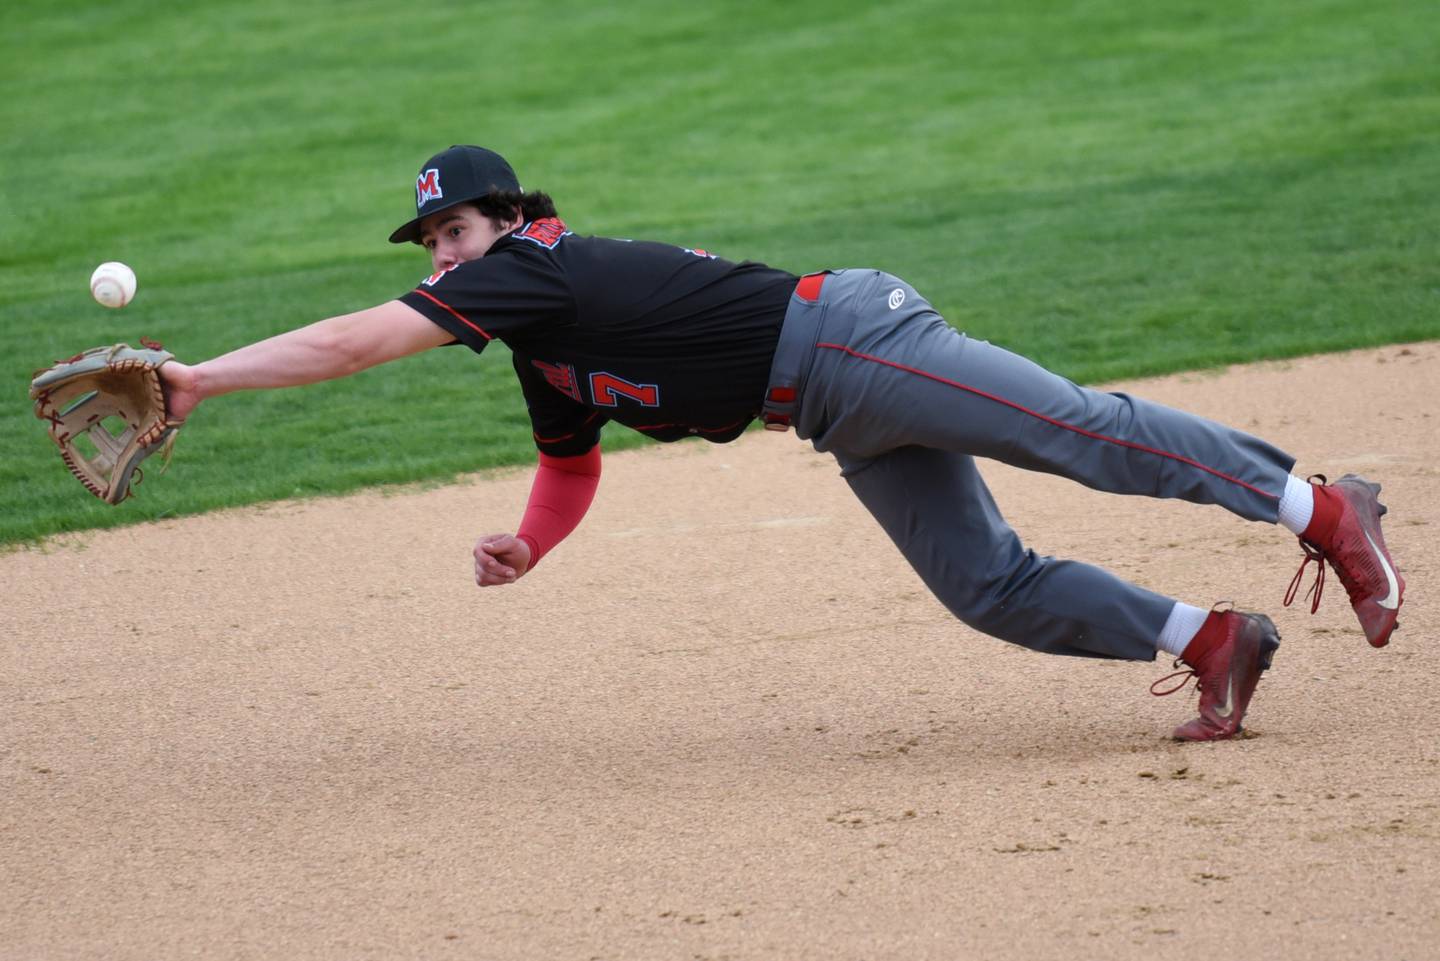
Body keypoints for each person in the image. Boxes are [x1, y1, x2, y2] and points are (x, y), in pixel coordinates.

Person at [159, 144, 1407, 742]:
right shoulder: (539, 338)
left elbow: (352, 344)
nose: (440, 258)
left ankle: (1319, 508)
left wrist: (203, 382)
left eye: (452, 234)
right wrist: (532, 546)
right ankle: (1211, 639)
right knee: (989, 586)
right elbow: (570, 462)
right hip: (837, 405)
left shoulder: (532, 271)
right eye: (430, 246)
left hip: (854, 338)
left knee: (1079, 433)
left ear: (515, 220)